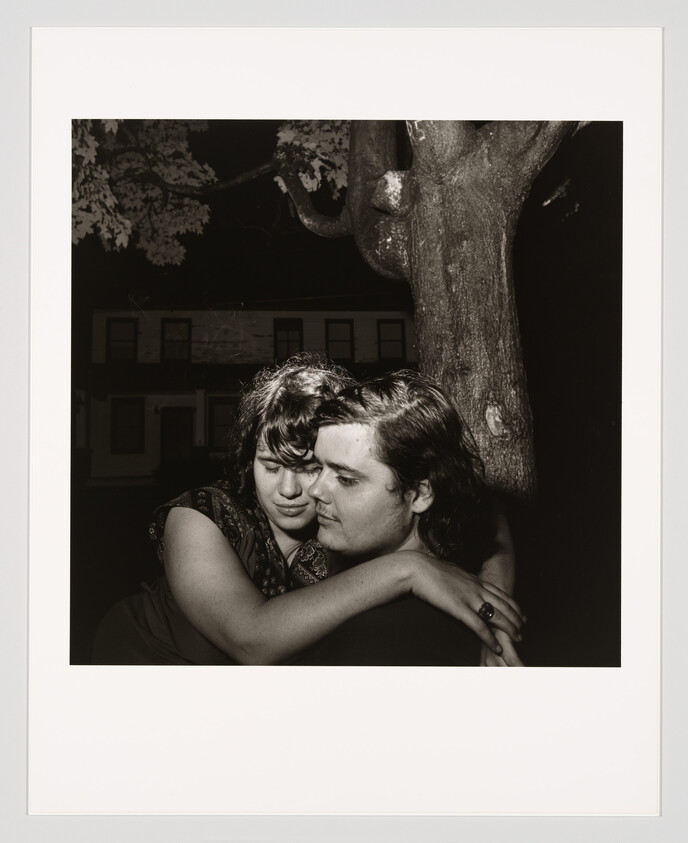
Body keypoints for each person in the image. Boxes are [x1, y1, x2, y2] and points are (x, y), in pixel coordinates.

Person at [92, 355, 522, 665]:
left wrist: (491, 625)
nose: (291, 490)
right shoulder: (201, 517)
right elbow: (252, 639)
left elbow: (485, 508)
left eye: (311, 466)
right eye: (271, 466)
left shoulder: (340, 524)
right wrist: (411, 569)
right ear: (249, 461)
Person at [294, 370, 522, 666]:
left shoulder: (378, 638)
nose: (314, 490)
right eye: (319, 467)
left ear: (419, 494)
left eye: (347, 479)